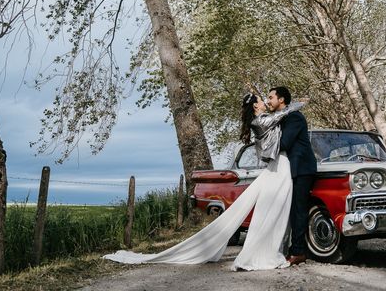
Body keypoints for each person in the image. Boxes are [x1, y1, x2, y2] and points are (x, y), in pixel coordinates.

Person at [103, 93, 303, 271]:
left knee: (276, 210)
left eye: (268, 98)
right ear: (255, 107)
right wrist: (297, 104)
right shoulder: (261, 120)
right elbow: (281, 117)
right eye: (262, 100)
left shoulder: (263, 119)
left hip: (279, 167)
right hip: (279, 166)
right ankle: (263, 252)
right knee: (272, 211)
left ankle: (276, 247)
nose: (265, 102)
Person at [267, 86, 317, 266]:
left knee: (298, 210)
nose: (268, 100)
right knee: (292, 210)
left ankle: (299, 252)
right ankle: (292, 248)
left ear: (281, 100)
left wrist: (266, 143)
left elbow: (285, 142)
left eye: (271, 97)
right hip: (292, 169)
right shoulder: (282, 118)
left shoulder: (294, 117)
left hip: (302, 169)